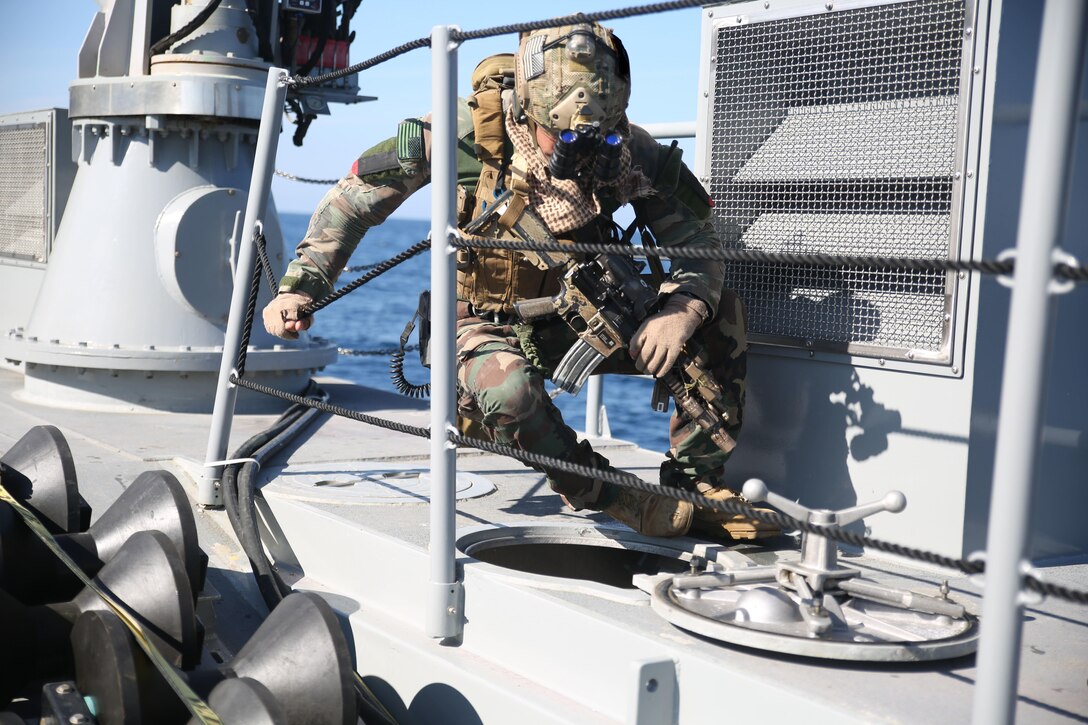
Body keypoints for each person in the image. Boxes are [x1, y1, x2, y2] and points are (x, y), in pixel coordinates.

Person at [263, 22, 776, 541]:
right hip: (479, 321)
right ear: (530, 110)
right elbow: (351, 203)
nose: (581, 149)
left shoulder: (626, 150)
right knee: (510, 390)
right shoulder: (457, 134)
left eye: (598, 133)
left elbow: (697, 234)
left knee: (719, 317)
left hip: (581, 317)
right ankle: (606, 491)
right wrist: (301, 286)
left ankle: (697, 486)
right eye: (565, 136)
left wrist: (682, 309)